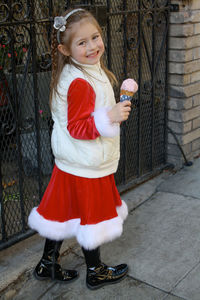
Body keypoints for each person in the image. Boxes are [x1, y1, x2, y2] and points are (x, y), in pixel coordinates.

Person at [28, 8, 132, 290]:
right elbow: (78, 127)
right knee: (90, 216)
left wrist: (110, 112)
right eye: (82, 42)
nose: (92, 46)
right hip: (85, 162)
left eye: (95, 37)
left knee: (63, 212)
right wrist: (109, 116)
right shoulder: (79, 82)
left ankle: (47, 263)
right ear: (65, 49)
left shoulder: (82, 71)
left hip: (72, 161)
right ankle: (95, 270)